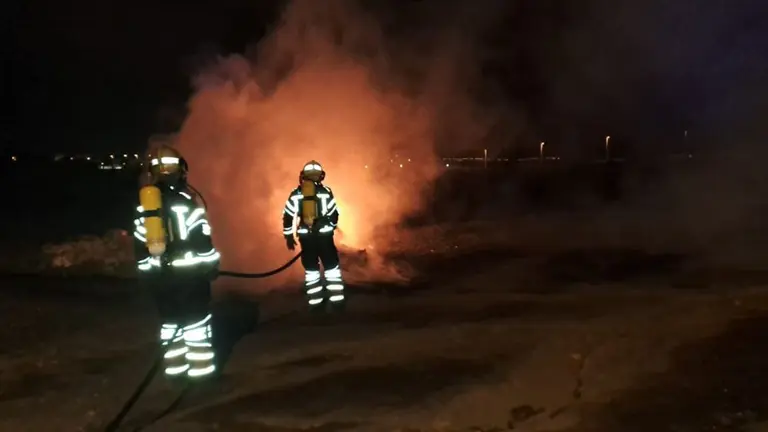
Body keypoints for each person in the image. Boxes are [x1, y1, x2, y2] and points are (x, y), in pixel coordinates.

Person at [132, 146, 221, 380]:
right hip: (191, 279)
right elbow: (203, 244)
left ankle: (175, 371)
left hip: (161, 282)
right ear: (181, 171)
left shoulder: (145, 210)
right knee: (196, 325)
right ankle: (201, 376)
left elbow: (140, 250)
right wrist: (212, 266)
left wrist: (149, 277)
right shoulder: (188, 205)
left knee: (170, 324)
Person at [281, 160, 346, 311]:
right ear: (320, 176)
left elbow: (288, 216)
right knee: (331, 269)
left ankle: (316, 305)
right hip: (324, 238)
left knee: (311, 271)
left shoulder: (296, 194)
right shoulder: (326, 192)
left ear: (303, 176)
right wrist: (329, 227)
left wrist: (289, 237)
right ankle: (337, 303)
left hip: (306, 239)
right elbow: (334, 214)